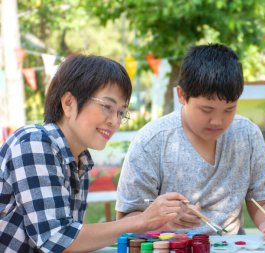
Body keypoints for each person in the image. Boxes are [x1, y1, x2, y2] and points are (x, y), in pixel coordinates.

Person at [0, 55, 188, 253]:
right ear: (68, 103)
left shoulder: (80, 160)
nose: (114, 121)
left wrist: (160, 221)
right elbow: (58, 239)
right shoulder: (34, 142)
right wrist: (142, 220)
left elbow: (73, 237)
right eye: (107, 106)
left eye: (121, 113)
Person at [116, 44, 265, 239]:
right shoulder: (151, 142)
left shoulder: (247, 134)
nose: (218, 121)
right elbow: (126, 218)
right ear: (181, 95)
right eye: (206, 110)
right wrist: (162, 221)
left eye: (229, 110)